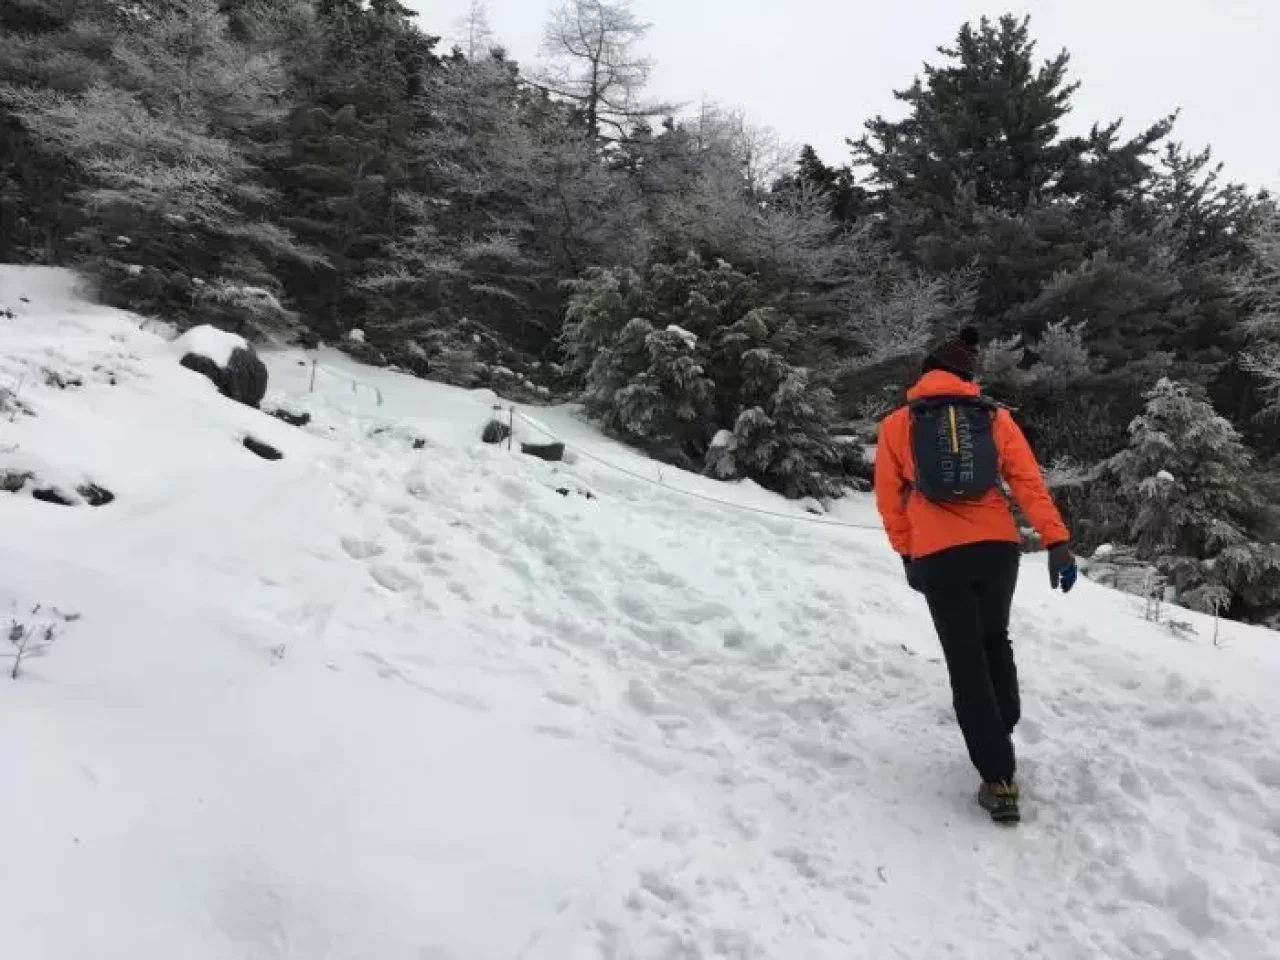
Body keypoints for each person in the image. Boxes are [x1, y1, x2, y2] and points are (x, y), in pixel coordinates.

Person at [873, 326, 1077, 824]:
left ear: (926, 375)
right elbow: (1027, 482)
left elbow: (888, 500)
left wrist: (908, 554)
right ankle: (999, 726)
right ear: (967, 378)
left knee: (966, 661)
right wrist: (1056, 540)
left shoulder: (898, 424)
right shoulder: (994, 418)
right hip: (996, 549)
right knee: (994, 639)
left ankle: (998, 779)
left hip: (939, 555)